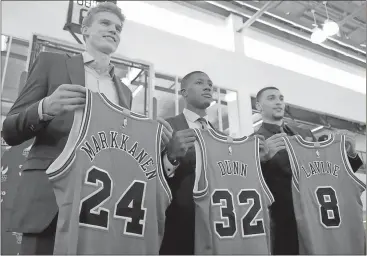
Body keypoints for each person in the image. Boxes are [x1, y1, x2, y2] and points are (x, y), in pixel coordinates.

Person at [2, 3, 132, 254]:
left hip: (100, 205)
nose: (113, 30)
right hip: (49, 201)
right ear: (85, 29)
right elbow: (9, 129)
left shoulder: (125, 93)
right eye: (105, 23)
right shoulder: (53, 63)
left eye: (118, 28)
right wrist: (45, 107)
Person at [254, 86, 363, 255]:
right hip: (286, 223)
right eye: (271, 98)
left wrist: (349, 154)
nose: (278, 102)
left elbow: (331, 171)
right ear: (259, 106)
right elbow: (252, 184)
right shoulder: (255, 142)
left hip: (319, 217)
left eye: (281, 98)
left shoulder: (306, 133)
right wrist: (262, 159)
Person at [159, 71, 219, 255]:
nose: (208, 86)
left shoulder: (222, 137)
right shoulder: (165, 126)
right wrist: (171, 156)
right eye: (200, 82)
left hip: (215, 226)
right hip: (178, 225)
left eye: (209, 83)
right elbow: (148, 175)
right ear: (184, 92)